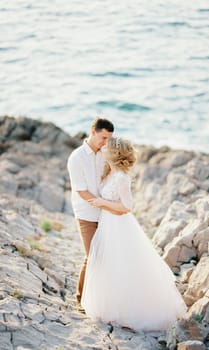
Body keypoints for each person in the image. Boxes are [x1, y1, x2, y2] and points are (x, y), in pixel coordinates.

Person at [81, 137, 187, 331]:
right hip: (107, 223)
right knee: (107, 264)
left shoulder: (122, 177)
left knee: (124, 265)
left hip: (119, 225)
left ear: (114, 152)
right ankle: (111, 306)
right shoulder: (108, 172)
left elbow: (127, 206)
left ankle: (130, 310)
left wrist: (103, 203)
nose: (102, 147)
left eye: (106, 146)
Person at [67, 117, 127, 312]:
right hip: (86, 214)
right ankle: (80, 298)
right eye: (103, 137)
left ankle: (101, 298)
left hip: (107, 214)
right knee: (92, 256)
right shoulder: (76, 157)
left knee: (106, 256)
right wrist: (102, 204)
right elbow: (81, 190)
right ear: (93, 132)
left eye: (109, 138)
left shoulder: (105, 154)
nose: (106, 142)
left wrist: (111, 206)